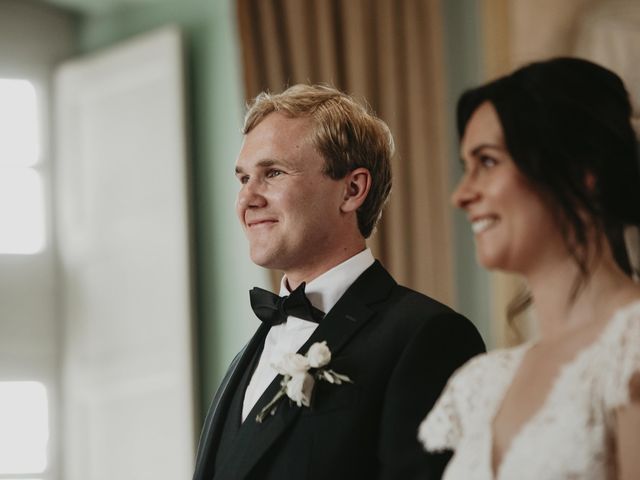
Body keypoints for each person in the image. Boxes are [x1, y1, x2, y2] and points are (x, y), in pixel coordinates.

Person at [192, 84, 485, 480]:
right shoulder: (243, 359)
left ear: (352, 190)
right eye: (243, 179)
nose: (248, 199)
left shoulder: (427, 337)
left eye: (273, 173)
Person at [418, 57, 640, 479]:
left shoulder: (631, 347)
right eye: (466, 168)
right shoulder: (482, 385)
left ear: (580, 171)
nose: (461, 195)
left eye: (486, 161)